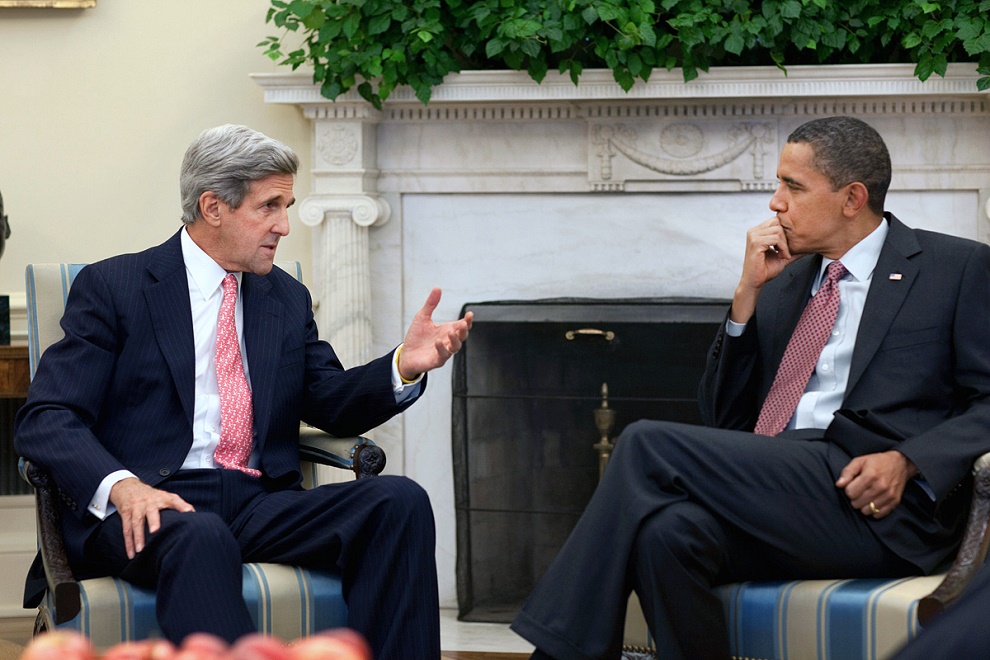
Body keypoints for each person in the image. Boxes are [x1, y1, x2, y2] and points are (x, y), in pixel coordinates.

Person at [510, 116, 990, 659]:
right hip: (783, 487)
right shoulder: (784, 282)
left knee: (644, 442)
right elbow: (726, 423)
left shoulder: (954, 268)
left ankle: (553, 654)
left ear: (852, 198)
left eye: (793, 186)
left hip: (878, 504)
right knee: (666, 533)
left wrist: (908, 460)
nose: (775, 203)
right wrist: (745, 298)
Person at [14, 124, 473, 658]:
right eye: (269, 207)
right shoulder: (116, 287)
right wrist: (122, 487)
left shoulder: (285, 297)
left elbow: (328, 400)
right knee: (201, 533)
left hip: (257, 503)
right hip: (150, 504)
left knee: (399, 501)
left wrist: (403, 365)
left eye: (287, 206)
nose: (284, 225)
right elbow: (48, 416)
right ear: (213, 207)